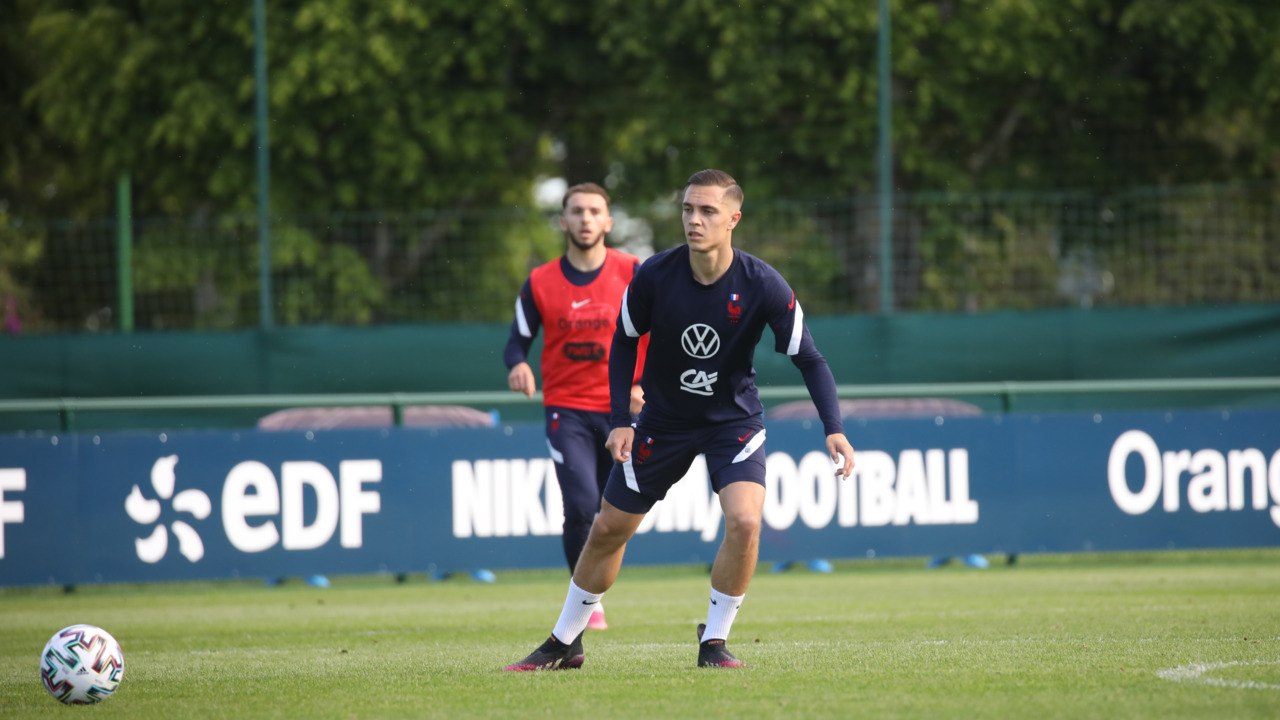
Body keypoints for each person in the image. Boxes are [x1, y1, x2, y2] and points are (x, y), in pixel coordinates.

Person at [505, 169, 855, 671]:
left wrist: (834, 428)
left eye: (708, 211)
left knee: (746, 520)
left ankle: (714, 641)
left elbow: (811, 358)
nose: (694, 219)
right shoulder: (653, 275)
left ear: (734, 218)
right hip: (663, 422)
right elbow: (624, 340)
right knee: (606, 528)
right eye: (688, 209)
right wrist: (622, 418)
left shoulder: (763, 284)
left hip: (732, 421)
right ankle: (564, 642)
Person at [503, 182, 646, 631]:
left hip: (623, 412)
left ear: (608, 222)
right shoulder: (541, 281)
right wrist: (518, 367)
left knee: (615, 512)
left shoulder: (634, 271)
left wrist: (646, 386)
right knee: (582, 505)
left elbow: (662, 333)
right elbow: (516, 344)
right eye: (577, 211)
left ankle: (595, 589)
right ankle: (588, 603)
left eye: (594, 211)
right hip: (566, 410)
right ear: (563, 221)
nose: (585, 218)